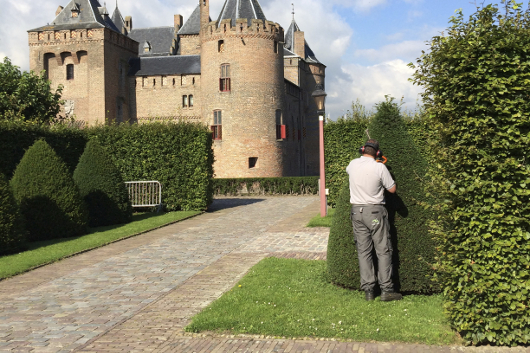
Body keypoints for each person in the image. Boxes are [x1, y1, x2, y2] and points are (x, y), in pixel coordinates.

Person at [346, 139, 402, 302]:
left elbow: (351, 170)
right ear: (378, 153)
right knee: (382, 250)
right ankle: (387, 290)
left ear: (362, 150)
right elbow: (392, 189)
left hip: (357, 212)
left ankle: (369, 291)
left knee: (363, 251)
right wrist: (379, 164)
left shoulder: (353, 164)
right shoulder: (379, 167)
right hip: (375, 212)